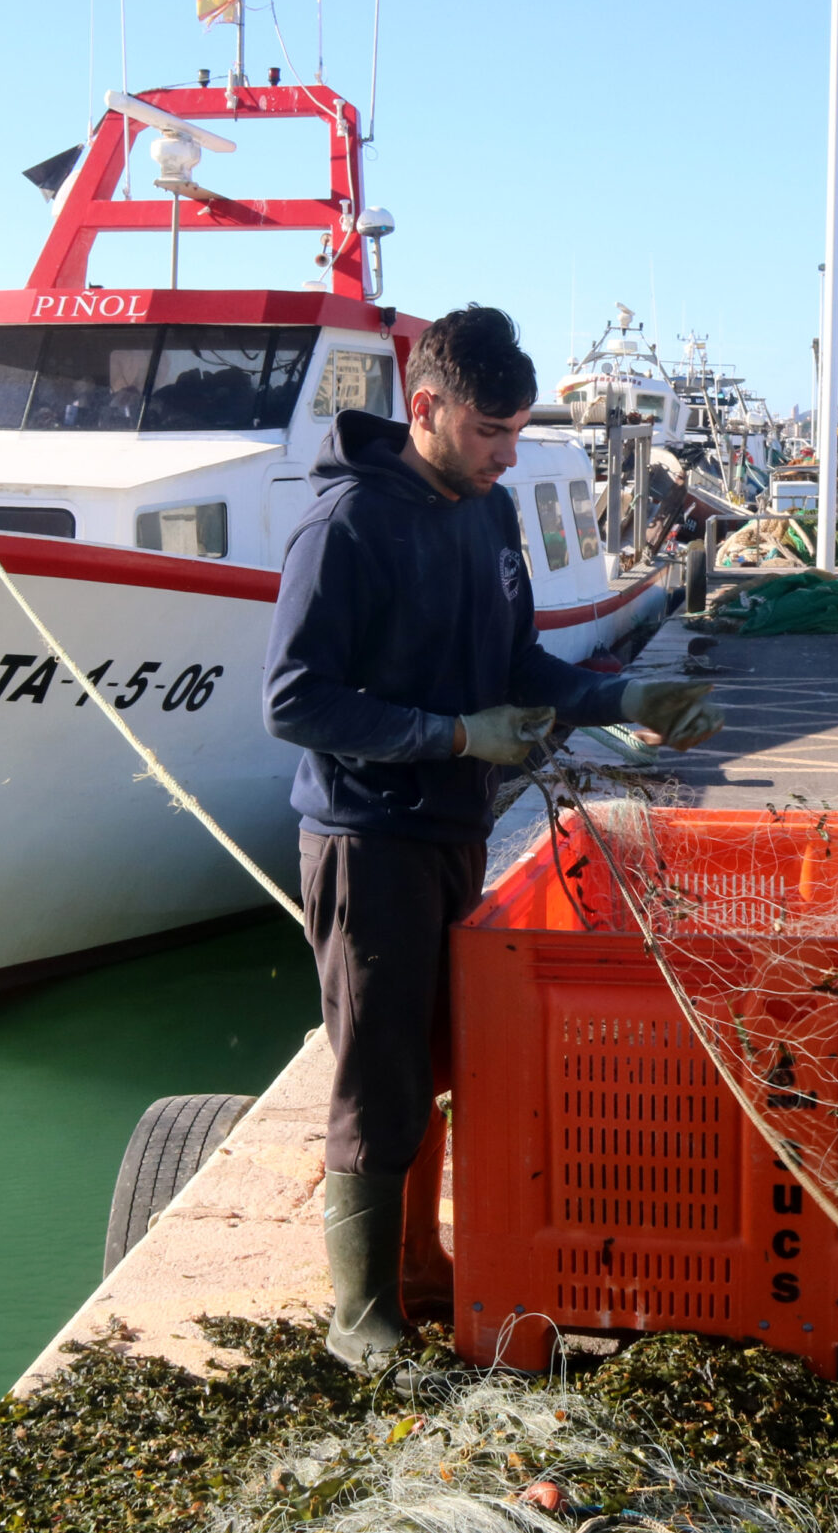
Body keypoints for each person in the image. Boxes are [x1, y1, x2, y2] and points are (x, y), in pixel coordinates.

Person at [262, 304, 725, 1382]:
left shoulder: (488, 510)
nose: (508, 455)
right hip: (366, 839)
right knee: (377, 1069)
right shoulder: (344, 528)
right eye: (489, 433)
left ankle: (419, 1264)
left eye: (518, 432)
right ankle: (359, 1313)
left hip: (450, 830)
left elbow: (521, 667)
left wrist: (623, 697)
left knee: (433, 1057)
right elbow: (293, 700)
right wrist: (454, 736)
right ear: (425, 407)